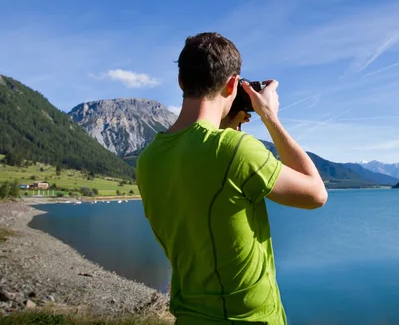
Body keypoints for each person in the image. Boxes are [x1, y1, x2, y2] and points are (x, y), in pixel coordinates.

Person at [136, 32, 328, 324]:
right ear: (232, 84)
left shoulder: (148, 159)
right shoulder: (234, 150)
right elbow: (316, 194)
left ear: (180, 82)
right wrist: (269, 117)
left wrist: (225, 126)